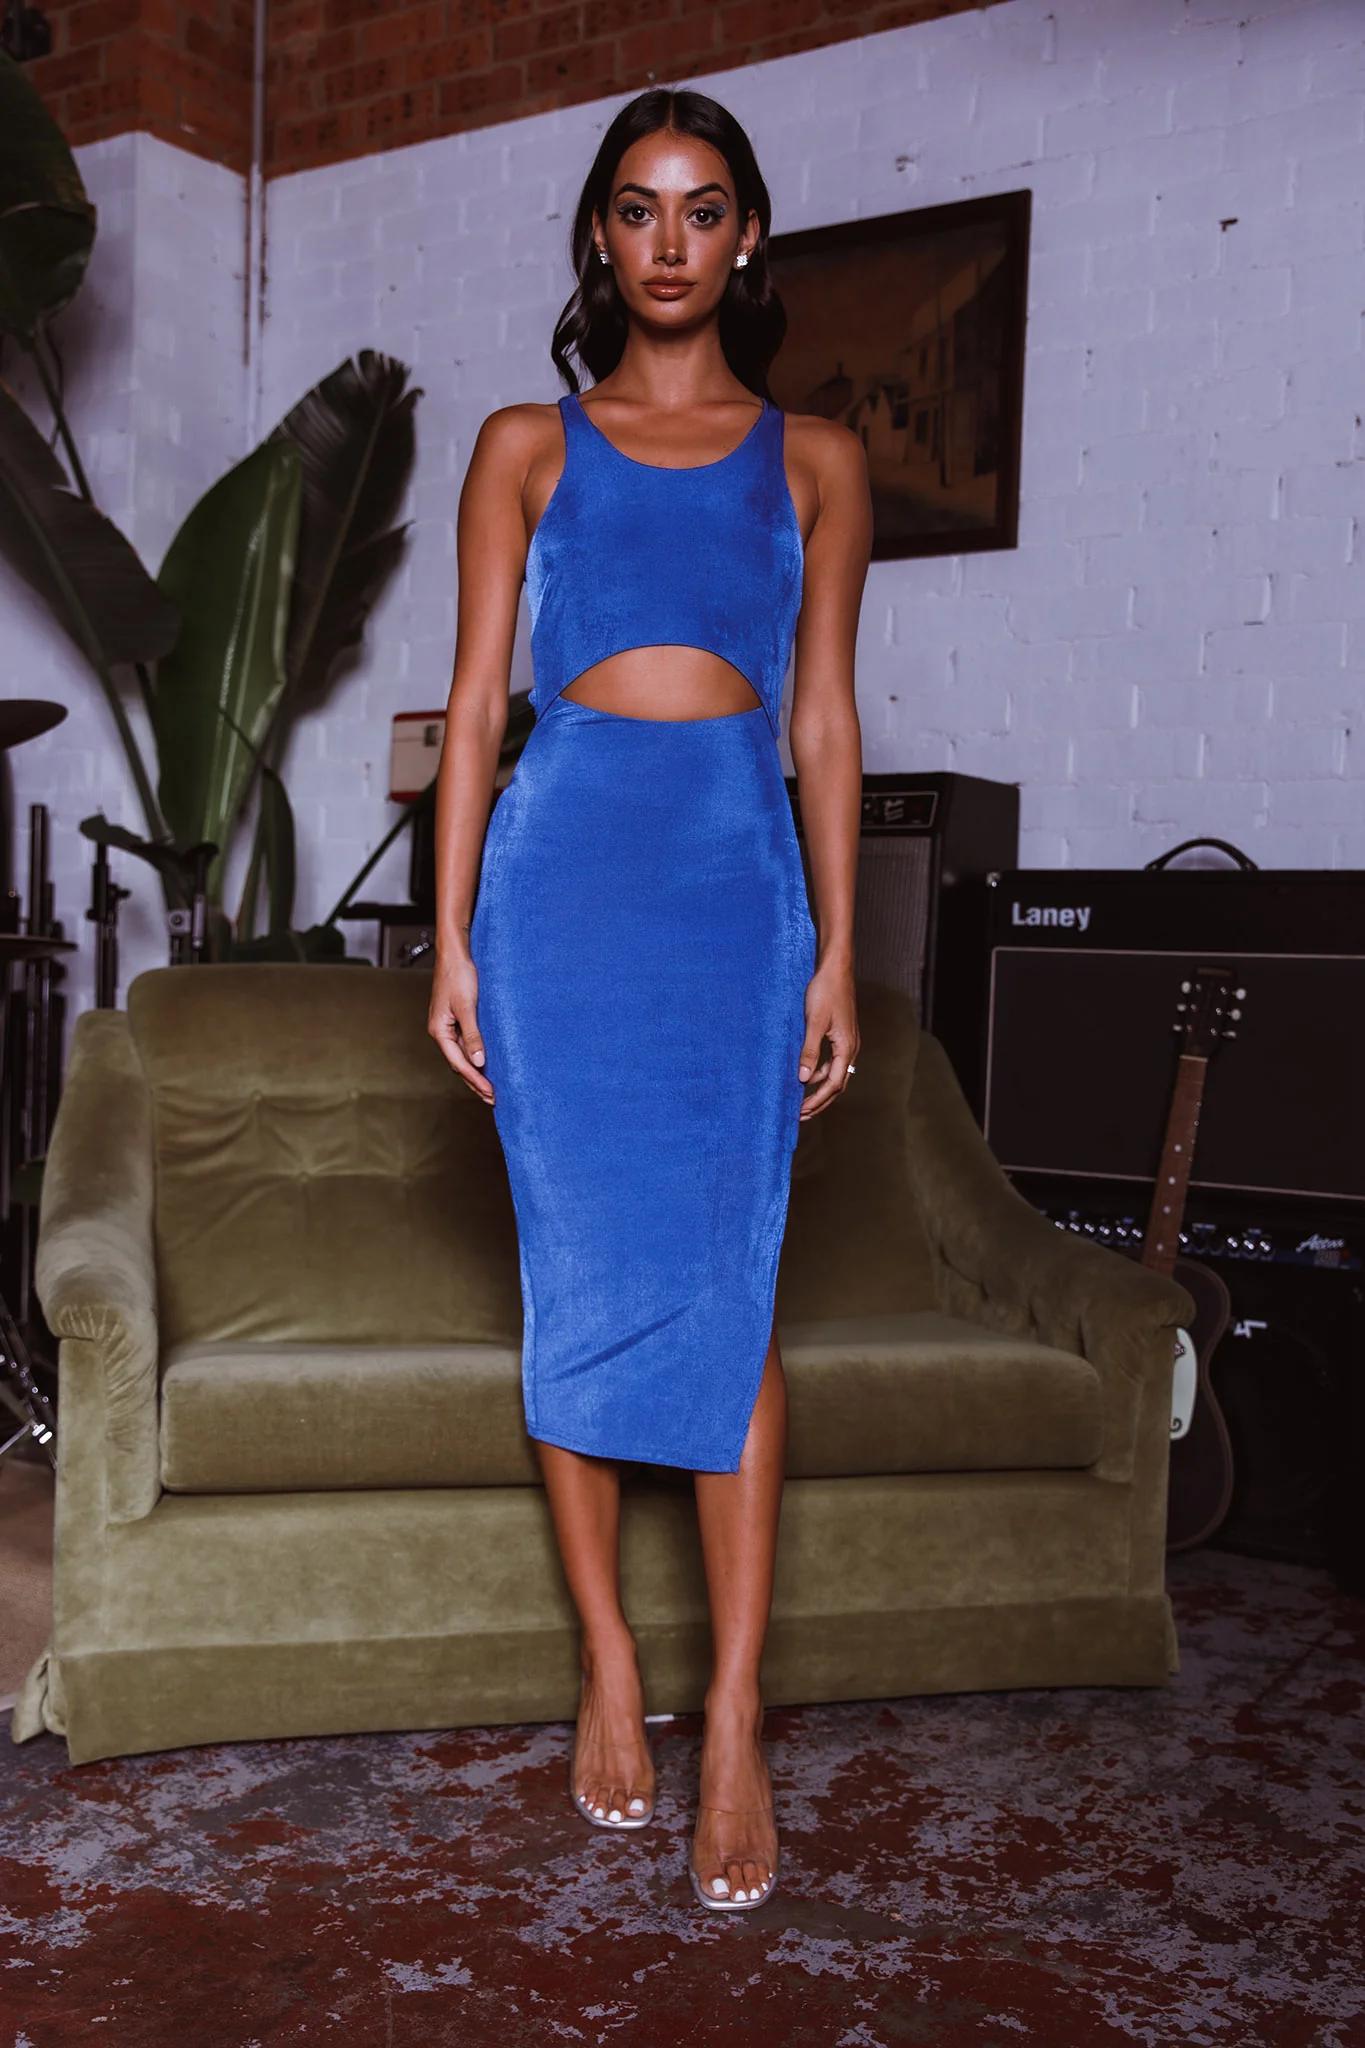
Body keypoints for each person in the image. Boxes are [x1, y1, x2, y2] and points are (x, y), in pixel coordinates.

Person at [428, 86, 870, 1913]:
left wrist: (839, 949)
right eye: (637, 208)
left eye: (702, 209)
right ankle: (610, 1660)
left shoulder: (817, 458)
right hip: (561, 888)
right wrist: (450, 940)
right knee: (579, 1285)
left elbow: (825, 718)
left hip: (733, 887)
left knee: (729, 1291)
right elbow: (477, 705)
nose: (669, 241)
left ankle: (737, 1714)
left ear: (747, 236)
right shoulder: (524, 444)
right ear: (600, 238)